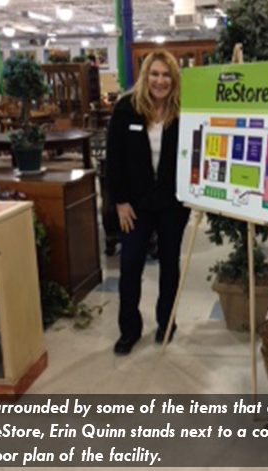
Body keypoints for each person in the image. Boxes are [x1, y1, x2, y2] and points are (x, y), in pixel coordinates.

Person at [106, 50, 190, 355]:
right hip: (135, 205)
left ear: (174, 79)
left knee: (170, 264)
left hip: (172, 204)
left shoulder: (183, 111)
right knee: (129, 267)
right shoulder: (126, 108)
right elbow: (113, 159)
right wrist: (120, 201)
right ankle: (129, 329)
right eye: (154, 74)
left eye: (166, 75)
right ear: (145, 76)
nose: (160, 80)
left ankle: (166, 323)